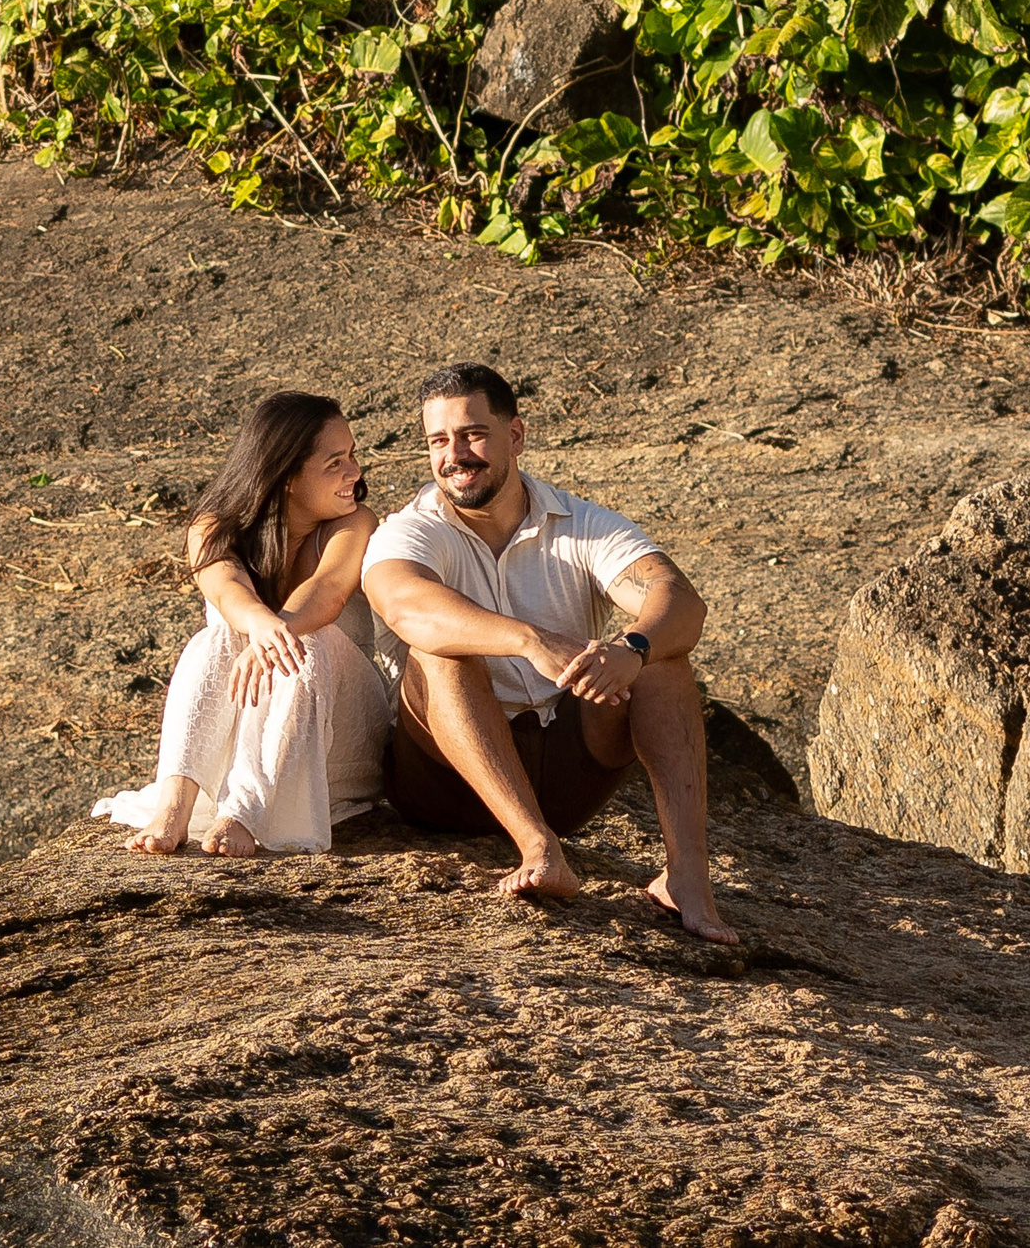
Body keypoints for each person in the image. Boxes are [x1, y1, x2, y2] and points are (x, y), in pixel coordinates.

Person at [361, 362, 739, 943]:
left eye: (473, 435)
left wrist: (632, 648)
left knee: (661, 660)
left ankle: (687, 877)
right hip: (445, 784)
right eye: (438, 441)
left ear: (515, 435)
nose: (455, 456)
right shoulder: (410, 529)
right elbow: (404, 605)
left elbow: (680, 600)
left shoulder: (580, 523)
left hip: (569, 774)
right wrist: (527, 639)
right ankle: (538, 848)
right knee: (438, 651)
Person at [93, 391, 396, 856]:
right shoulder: (212, 527)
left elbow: (329, 589)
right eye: (335, 462)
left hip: (341, 742)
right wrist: (258, 626)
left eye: (352, 456)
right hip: (242, 744)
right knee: (216, 637)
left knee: (307, 641)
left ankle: (245, 813)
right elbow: (224, 586)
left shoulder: (353, 524)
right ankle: (173, 807)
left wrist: (278, 632)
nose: (354, 472)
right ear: (287, 475)